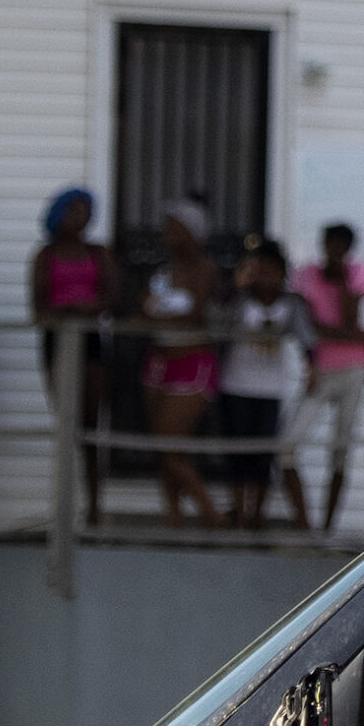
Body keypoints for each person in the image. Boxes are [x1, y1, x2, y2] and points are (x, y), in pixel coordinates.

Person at [28, 186, 122, 524]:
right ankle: (64, 505)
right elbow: (37, 308)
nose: (80, 218)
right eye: (74, 211)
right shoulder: (46, 255)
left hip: (91, 340)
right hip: (57, 339)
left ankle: (95, 507)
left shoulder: (99, 253)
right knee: (65, 421)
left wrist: (86, 309)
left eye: (86, 211)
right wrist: (63, 312)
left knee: (89, 425)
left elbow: (112, 298)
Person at [215, 238, 316, 531]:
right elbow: (217, 322)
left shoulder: (292, 304)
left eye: (270, 270)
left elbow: (305, 337)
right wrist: (234, 287)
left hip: (269, 389)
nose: (264, 276)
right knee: (237, 452)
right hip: (235, 385)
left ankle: (256, 514)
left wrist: (313, 367)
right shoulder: (237, 300)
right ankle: (239, 511)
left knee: (262, 454)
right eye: (258, 269)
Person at [140, 198, 221, 529]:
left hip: (192, 360)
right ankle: (173, 515)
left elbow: (196, 313)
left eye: (176, 227)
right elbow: (145, 311)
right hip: (159, 362)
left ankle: (210, 514)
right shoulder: (163, 272)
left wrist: (161, 310)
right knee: (163, 446)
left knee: (169, 442)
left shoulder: (205, 269)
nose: (168, 234)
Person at [292, 224, 364, 530]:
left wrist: (342, 280)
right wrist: (350, 336)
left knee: (341, 450)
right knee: (288, 445)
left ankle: (326, 529)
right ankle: (304, 526)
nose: (334, 251)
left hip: (353, 369)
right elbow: (310, 328)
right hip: (321, 369)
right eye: (331, 245)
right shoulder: (306, 274)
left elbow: (349, 318)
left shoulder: (357, 273)